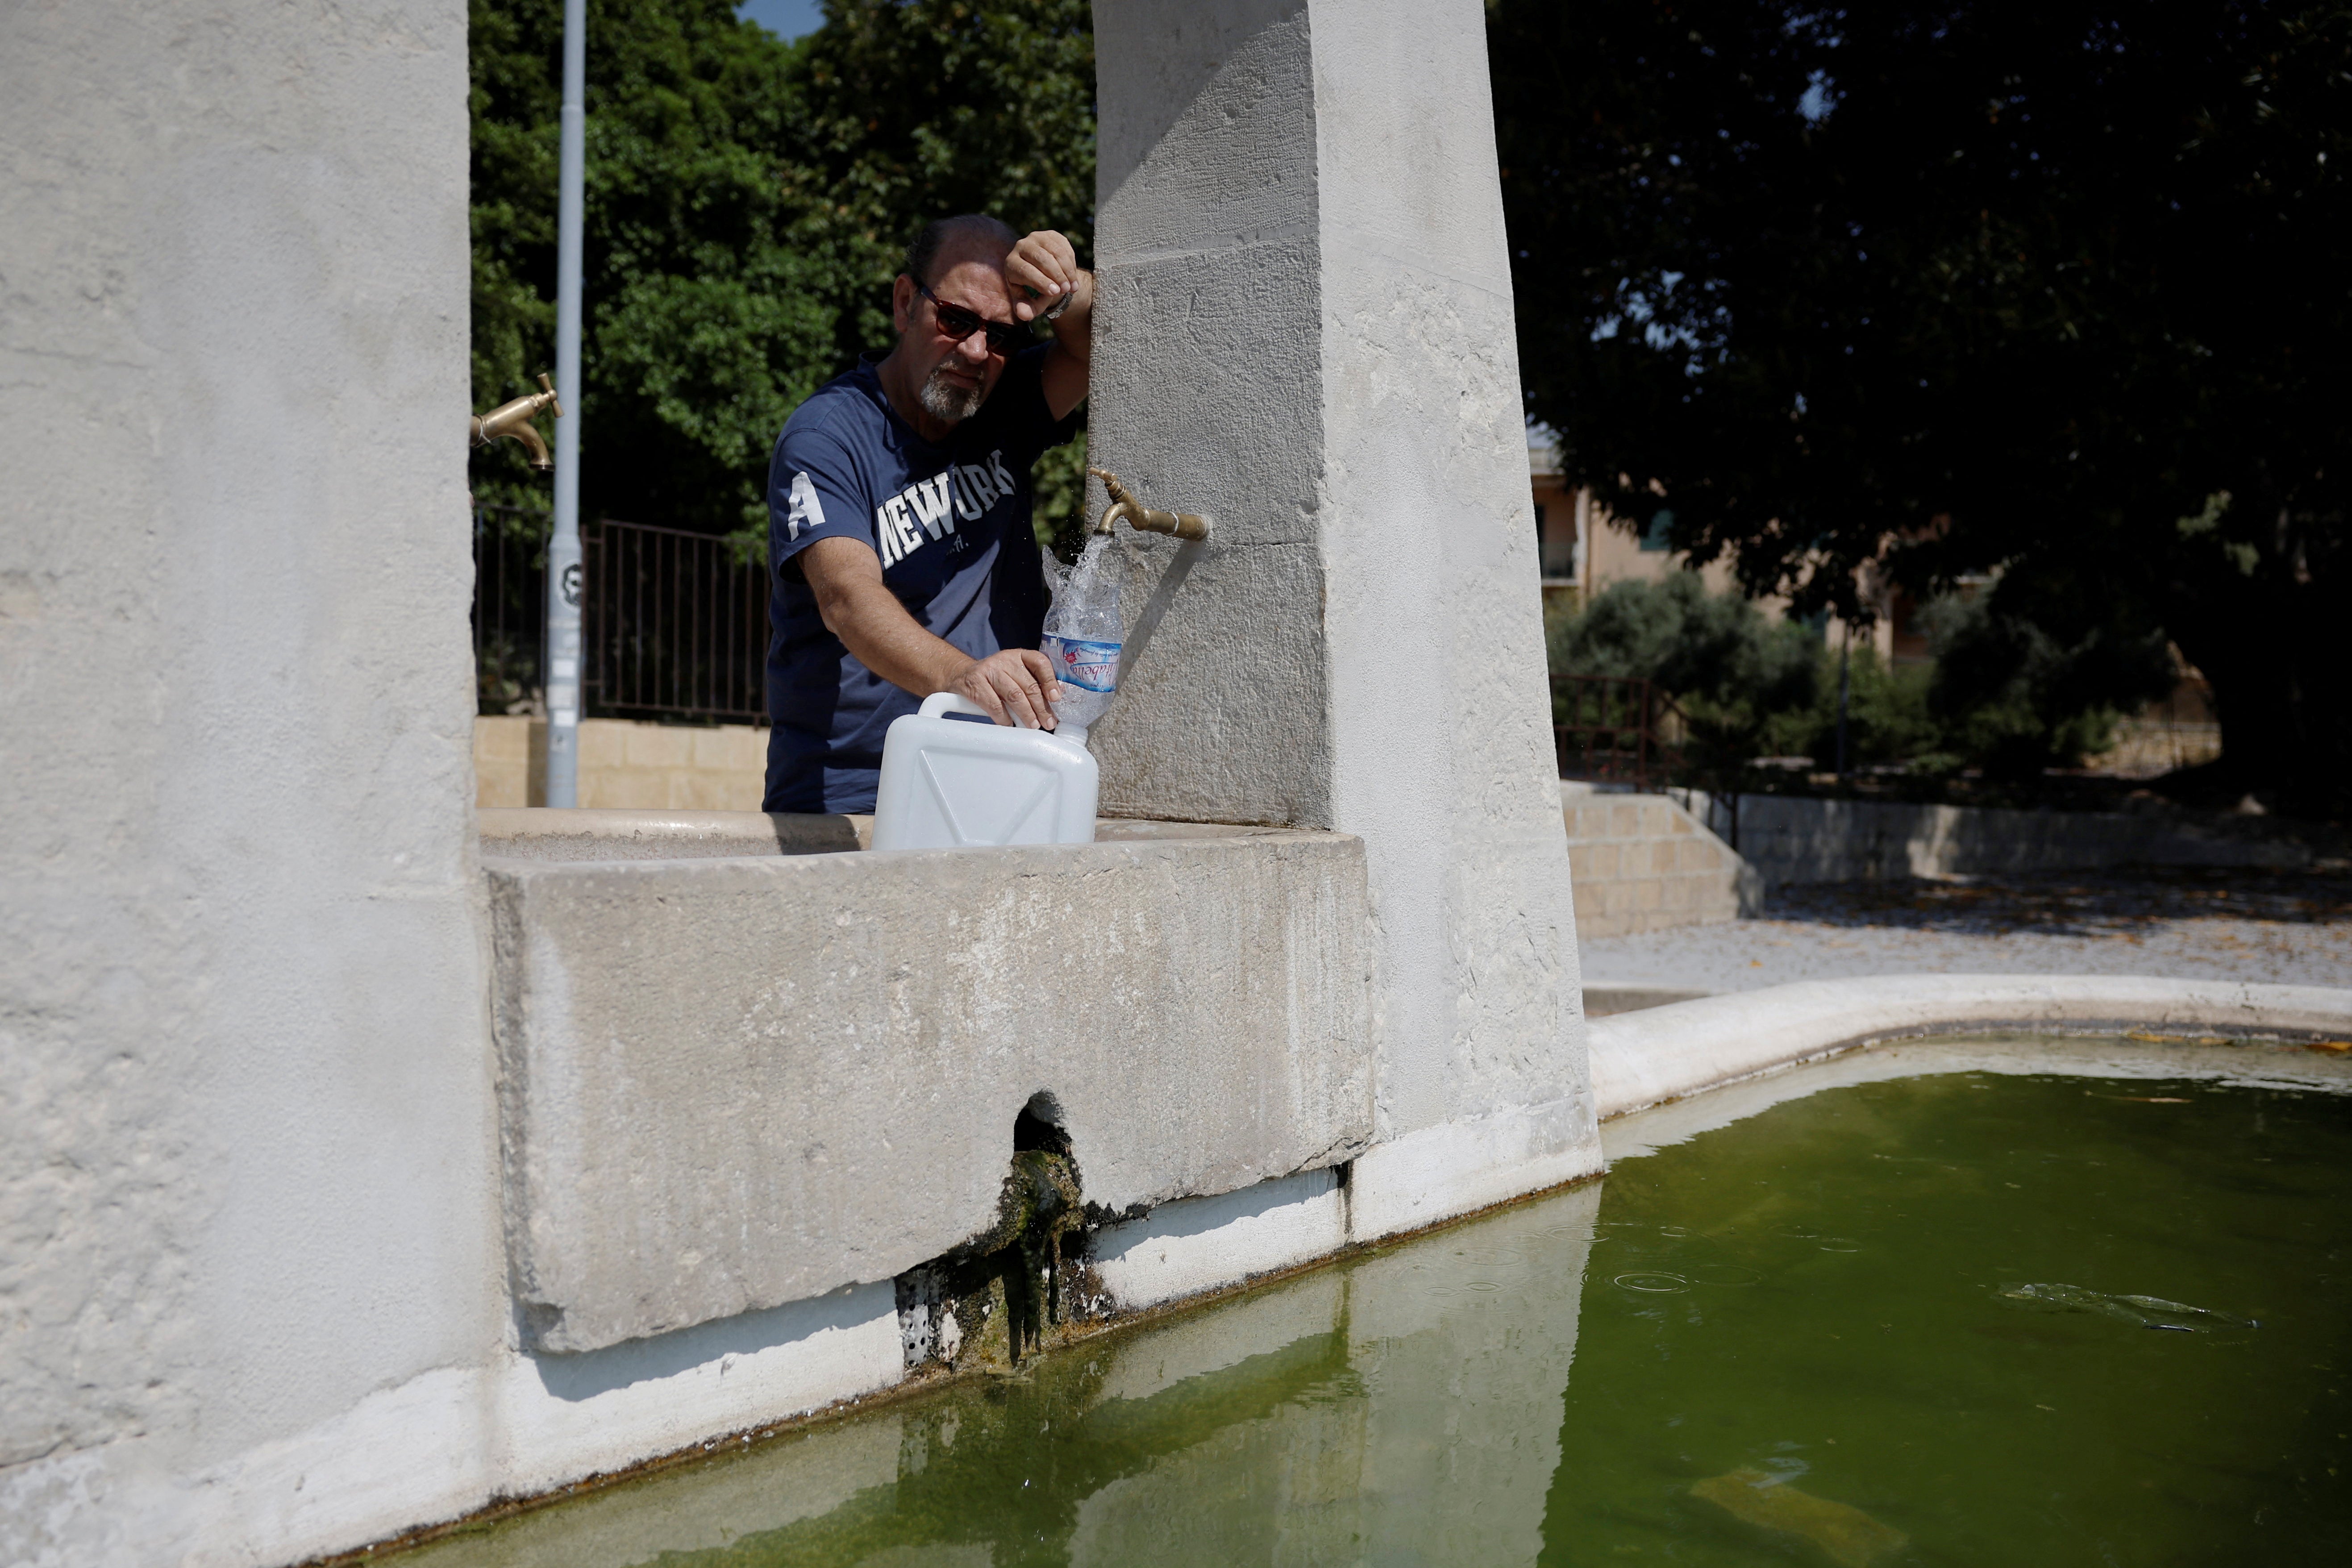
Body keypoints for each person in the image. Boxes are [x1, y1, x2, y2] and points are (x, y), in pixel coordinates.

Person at [761, 215, 1092, 813]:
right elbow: (846, 598)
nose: (975, 350)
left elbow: (1107, 342)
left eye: (1000, 335)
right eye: (957, 320)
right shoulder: (826, 435)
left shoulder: (1003, 402)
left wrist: (1066, 288)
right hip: (859, 793)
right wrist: (964, 677)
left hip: (1002, 776)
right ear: (906, 302)